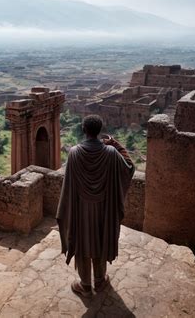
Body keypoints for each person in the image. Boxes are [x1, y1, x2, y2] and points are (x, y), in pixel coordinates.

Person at [56, 114, 135, 297]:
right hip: (103, 210)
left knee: (83, 244)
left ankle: (85, 286)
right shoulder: (111, 153)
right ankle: (100, 282)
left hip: (81, 210)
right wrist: (116, 144)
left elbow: (69, 185)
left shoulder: (74, 152)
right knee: (101, 240)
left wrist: (66, 210)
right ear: (100, 131)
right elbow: (129, 168)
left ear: (84, 130)